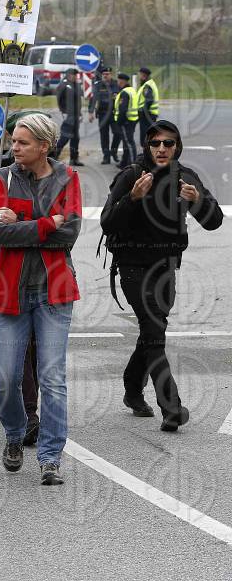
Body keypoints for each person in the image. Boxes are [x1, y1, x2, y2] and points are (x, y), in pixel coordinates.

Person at [100, 120, 222, 431]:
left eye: (169, 143)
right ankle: (172, 407)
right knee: (154, 333)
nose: (162, 149)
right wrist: (133, 199)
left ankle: (131, 387)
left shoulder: (185, 177)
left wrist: (199, 201)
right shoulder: (132, 175)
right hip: (131, 266)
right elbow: (108, 222)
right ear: (147, 146)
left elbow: (214, 222)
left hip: (166, 267)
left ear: (177, 146)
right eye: (156, 143)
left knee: (152, 333)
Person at [0, 113, 82, 485]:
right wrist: (46, 222)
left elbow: (69, 232)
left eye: (22, 142)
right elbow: (1, 234)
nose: (14, 147)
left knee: (52, 377)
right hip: (8, 290)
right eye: (13, 141)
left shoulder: (67, 178)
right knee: (5, 377)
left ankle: (50, 457)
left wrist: (21, 218)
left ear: (45, 145)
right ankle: (13, 435)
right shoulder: (1, 177)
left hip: (53, 290)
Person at [88, 66, 121, 164]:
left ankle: (114, 152)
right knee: (104, 136)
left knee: (118, 133)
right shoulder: (98, 85)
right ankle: (106, 156)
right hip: (102, 114)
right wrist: (91, 112)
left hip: (114, 114)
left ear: (111, 74)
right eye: (104, 74)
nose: (105, 76)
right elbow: (93, 99)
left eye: (107, 74)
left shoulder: (116, 84)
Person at [54, 68, 84, 166]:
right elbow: (59, 99)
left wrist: (80, 114)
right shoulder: (64, 85)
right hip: (68, 115)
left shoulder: (76, 85)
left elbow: (78, 101)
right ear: (68, 75)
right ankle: (54, 157)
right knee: (65, 137)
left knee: (76, 138)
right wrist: (63, 111)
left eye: (76, 75)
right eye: (73, 75)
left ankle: (74, 159)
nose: (75, 77)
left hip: (75, 115)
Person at [114, 72, 139, 168]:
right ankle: (124, 163)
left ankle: (134, 164)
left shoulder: (125, 93)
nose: (118, 83)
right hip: (132, 120)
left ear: (122, 81)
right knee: (126, 142)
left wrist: (119, 122)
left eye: (119, 81)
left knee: (129, 142)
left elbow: (123, 109)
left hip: (126, 121)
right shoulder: (132, 90)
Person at [137, 67, 160, 149]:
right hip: (150, 114)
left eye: (140, 74)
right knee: (149, 137)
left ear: (144, 75)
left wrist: (143, 111)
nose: (139, 76)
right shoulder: (149, 84)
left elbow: (149, 100)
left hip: (147, 115)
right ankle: (149, 157)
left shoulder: (147, 86)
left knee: (146, 138)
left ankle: (148, 158)